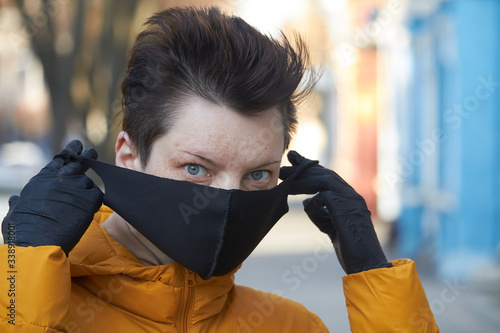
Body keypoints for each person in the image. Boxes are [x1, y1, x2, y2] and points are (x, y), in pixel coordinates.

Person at [0, 6, 439, 332]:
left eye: (258, 175)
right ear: (129, 156)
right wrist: (24, 274)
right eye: (196, 168)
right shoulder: (24, 301)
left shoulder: (288, 326)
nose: (229, 200)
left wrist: (374, 278)